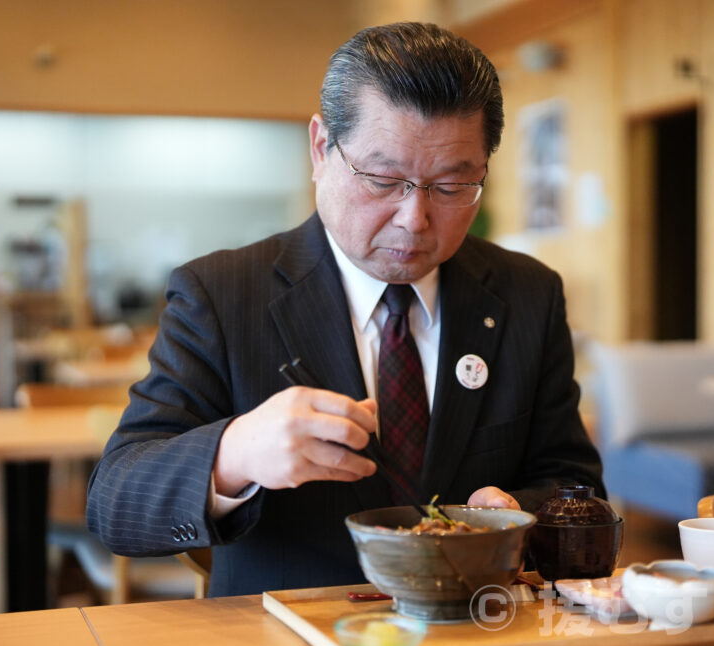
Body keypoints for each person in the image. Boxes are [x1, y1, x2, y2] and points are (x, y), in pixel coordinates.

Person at [86, 22, 603, 596]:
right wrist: (235, 453)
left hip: (476, 630)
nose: (415, 218)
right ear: (320, 149)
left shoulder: (526, 294)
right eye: (383, 180)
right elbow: (116, 504)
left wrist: (516, 514)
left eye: (452, 186)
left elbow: (572, 482)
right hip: (283, 638)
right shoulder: (222, 293)